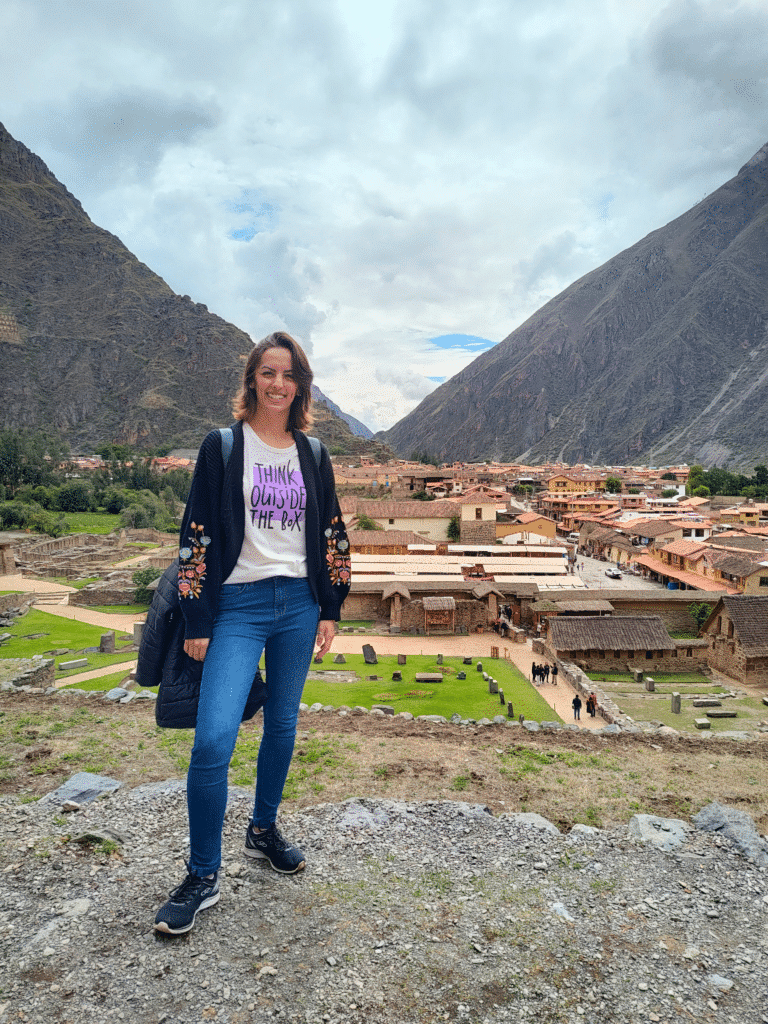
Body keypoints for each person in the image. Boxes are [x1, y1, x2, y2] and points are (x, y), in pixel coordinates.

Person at [154, 331, 351, 935]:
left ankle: (263, 828)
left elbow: (333, 534)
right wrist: (196, 617)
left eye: (288, 375)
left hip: (298, 602)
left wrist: (331, 605)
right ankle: (202, 873)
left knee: (284, 726)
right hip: (235, 607)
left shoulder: (313, 454)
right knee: (214, 738)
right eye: (268, 373)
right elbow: (196, 535)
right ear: (252, 380)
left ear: (301, 385)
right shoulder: (222, 447)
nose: (278, 385)